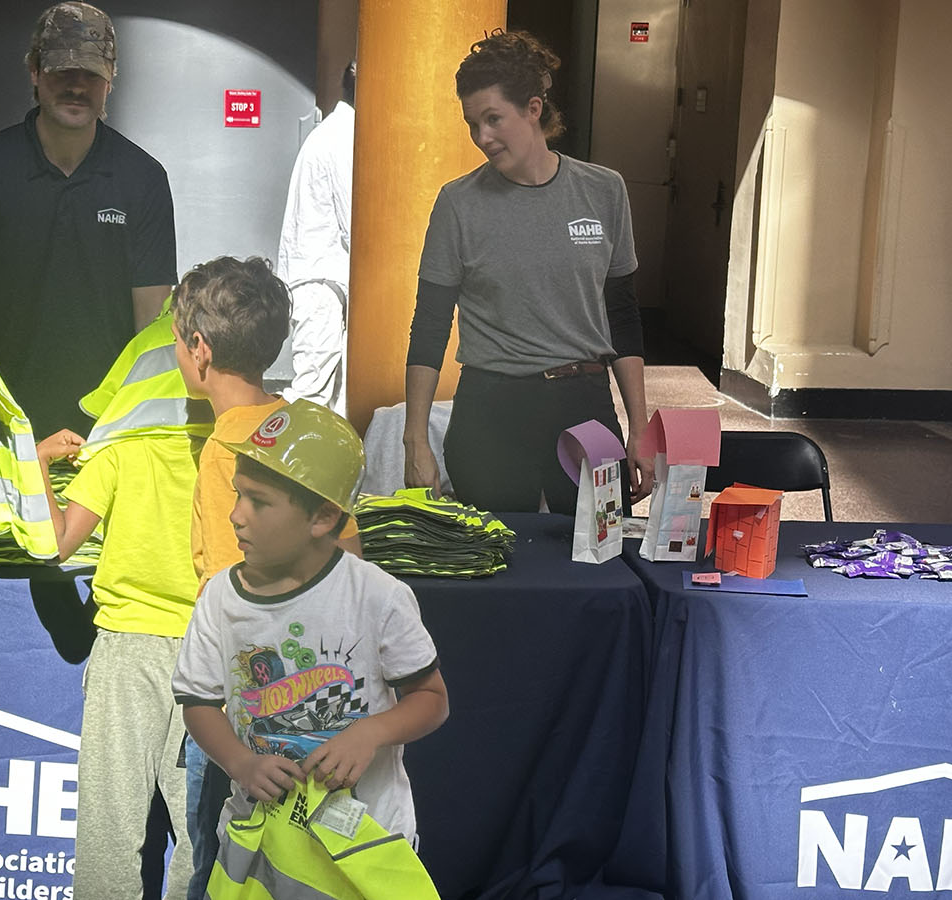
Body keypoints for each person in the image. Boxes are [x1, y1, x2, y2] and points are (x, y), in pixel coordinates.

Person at [171, 400, 449, 864]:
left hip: (367, 846)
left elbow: (433, 698)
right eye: (238, 494)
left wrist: (371, 732)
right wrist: (241, 763)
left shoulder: (379, 596)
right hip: (258, 844)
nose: (236, 515)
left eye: (258, 501)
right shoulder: (219, 598)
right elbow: (198, 702)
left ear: (322, 517)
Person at [170, 256, 364, 898]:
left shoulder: (225, 451)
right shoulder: (307, 433)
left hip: (247, 712)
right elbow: (352, 561)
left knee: (221, 861)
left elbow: (231, 591)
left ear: (199, 349)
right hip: (323, 701)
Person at [403, 31, 652, 514]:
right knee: (496, 554)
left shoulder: (604, 191)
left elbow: (623, 316)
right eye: (473, 124)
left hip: (584, 403)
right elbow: (429, 326)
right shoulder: (457, 204)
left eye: (493, 119)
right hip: (492, 408)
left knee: (599, 548)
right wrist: (415, 438)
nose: (482, 137)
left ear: (533, 109)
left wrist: (639, 426)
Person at [0, 1, 177, 437]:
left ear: (110, 79)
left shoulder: (143, 178)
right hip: (3, 421)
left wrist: (137, 427)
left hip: (108, 426)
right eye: (63, 72)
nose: (77, 86)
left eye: (90, 74)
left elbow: (152, 328)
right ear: (34, 71)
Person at [49, 304, 207, 899]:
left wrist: (35, 462)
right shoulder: (232, 451)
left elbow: (56, 544)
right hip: (211, 651)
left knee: (109, 825)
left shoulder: (116, 451)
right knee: (203, 827)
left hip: (126, 647)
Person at [274, 62, 356, 415]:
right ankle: (269, 446)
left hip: (320, 283)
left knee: (326, 398)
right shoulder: (342, 137)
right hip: (321, 286)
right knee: (312, 395)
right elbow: (357, 222)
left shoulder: (334, 133)